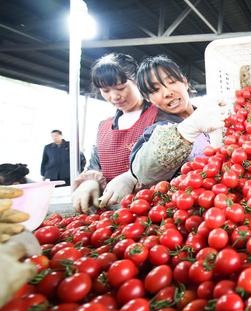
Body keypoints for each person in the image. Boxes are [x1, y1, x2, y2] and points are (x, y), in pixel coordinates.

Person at [71, 53, 163, 213]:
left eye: (121, 88)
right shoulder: (104, 126)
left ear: (138, 82)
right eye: (105, 90)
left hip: (154, 211)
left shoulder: (160, 116)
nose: (114, 96)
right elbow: (96, 164)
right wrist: (91, 182)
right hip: (113, 216)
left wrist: (132, 177)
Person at [130, 55, 226, 187]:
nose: (167, 93)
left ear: (185, 82)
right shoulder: (157, 131)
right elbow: (144, 173)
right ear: (148, 99)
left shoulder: (212, 115)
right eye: (155, 90)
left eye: (171, 82)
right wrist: (186, 131)